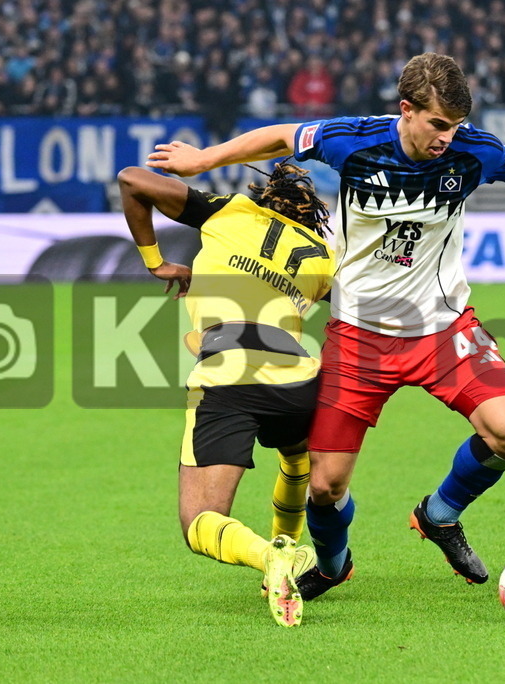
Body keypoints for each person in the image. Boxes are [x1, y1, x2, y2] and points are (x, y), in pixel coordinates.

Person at [146, 52, 505, 602]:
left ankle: (440, 515)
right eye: (438, 124)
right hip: (358, 335)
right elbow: (279, 137)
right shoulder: (353, 140)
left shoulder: (475, 151)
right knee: (325, 485)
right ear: (407, 111)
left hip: (443, 329)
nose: (448, 137)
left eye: (456, 126)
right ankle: (332, 563)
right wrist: (204, 159)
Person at [117, 162, 336, 627]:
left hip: (227, 371)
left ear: (263, 198)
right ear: (312, 219)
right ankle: (288, 549)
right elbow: (368, 312)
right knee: (296, 459)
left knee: (199, 523)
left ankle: (268, 558)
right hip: (297, 377)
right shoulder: (322, 256)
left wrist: (156, 262)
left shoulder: (230, 212)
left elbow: (132, 179)